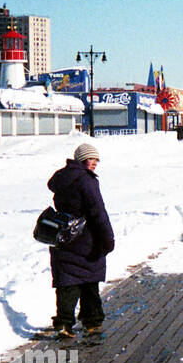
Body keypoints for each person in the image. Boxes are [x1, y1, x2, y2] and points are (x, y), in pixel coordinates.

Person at [48, 143, 115, 338]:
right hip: (86, 238)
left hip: (65, 235)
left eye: (96, 160)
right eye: (90, 159)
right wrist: (107, 238)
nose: (94, 163)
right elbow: (97, 211)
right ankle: (92, 322)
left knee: (67, 281)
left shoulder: (62, 178)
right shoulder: (86, 181)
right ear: (81, 160)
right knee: (89, 279)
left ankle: (63, 323)